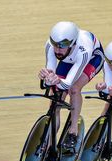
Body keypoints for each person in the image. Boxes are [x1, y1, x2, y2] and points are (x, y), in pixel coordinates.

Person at [38, 21, 104, 152]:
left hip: (91, 59)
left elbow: (68, 83)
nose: (57, 50)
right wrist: (46, 77)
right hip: (69, 60)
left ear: (73, 43)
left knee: (74, 89)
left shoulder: (84, 50)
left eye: (61, 46)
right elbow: (51, 74)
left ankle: (73, 130)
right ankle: (49, 142)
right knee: (55, 99)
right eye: (55, 45)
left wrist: (56, 81)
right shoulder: (50, 46)